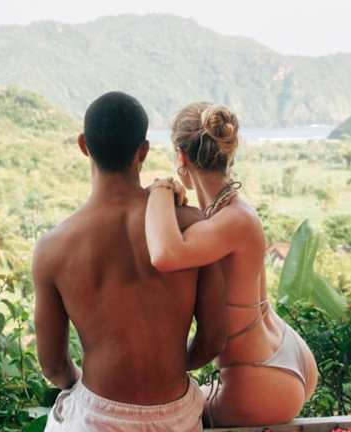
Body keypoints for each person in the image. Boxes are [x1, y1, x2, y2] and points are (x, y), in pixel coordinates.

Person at [33, 92, 227, 431]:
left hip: (96, 419)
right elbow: (213, 339)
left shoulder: (53, 248)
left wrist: (81, 384)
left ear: (84, 145)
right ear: (143, 151)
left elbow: (53, 366)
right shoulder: (190, 225)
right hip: (177, 417)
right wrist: (167, 369)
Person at [145, 102, 318, 427]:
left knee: (160, 417)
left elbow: (164, 253)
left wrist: (160, 188)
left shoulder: (233, 221)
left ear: (181, 156)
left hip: (258, 376)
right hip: (276, 355)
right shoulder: (232, 212)